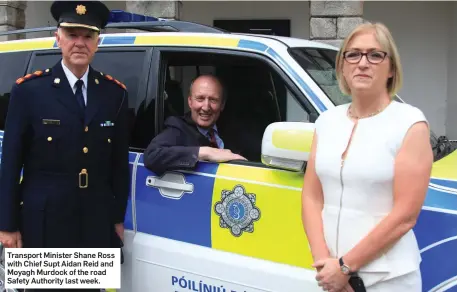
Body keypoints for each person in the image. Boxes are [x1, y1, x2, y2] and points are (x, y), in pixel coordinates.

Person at [301, 22, 433, 292]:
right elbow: (312, 197)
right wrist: (325, 264)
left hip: (388, 280)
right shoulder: (326, 121)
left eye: (375, 55)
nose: (363, 63)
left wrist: (346, 267)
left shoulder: (409, 123)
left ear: (391, 68)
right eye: (353, 54)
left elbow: (405, 215)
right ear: (342, 66)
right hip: (331, 278)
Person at [0, 0, 129, 274]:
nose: (79, 43)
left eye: (88, 36)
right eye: (72, 35)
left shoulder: (114, 93)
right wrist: (7, 225)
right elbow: (10, 165)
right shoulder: (29, 91)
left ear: (97, 42)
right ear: (58, 38)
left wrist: (117, 218)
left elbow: (118, 165)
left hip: (94, 221)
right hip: (43, 223)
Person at [144, 74, 246, 174]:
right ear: (190, 102)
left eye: (213, 100)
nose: (206, 107)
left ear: (222, 105)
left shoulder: (229, 129)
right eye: (200, 99)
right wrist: (205, 152)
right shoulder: (178, 128)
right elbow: (151, 155)